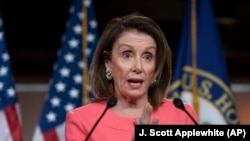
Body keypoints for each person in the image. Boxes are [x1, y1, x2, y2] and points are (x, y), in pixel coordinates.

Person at [65, 12, 198, 141]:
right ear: (108, 62)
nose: (138, 67)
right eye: (127, 55)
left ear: (156, 67)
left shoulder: (181, 115)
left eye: (147, 57)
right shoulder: (82, 121)